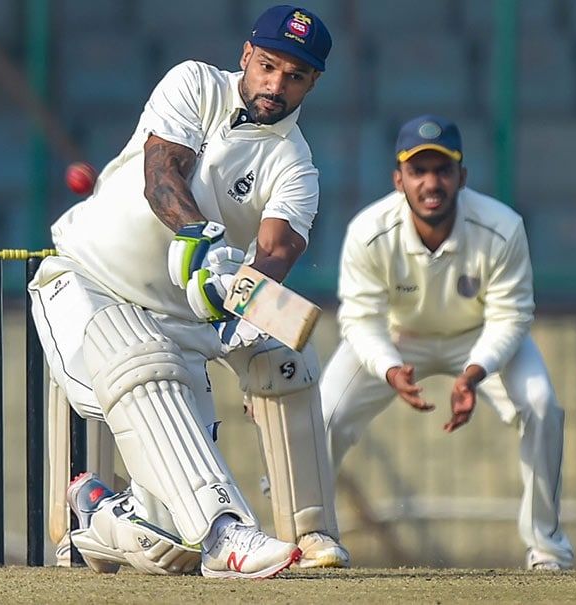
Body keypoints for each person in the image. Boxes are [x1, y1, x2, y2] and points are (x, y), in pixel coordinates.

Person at [28, 5, 348, 579]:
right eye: (268, 66)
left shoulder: (296, 166)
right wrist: (201, 241)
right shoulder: (194, 82)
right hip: (86, 282)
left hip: (177, 326)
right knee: (137, 357)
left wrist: (238, 300)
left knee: (169, 546)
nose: (276, 85)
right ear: (247, 55)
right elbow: (162, 174)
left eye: (294, 76)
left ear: (313, 83)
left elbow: (277, 252)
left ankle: (95, 516)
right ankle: (228, 533)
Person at [320, 115, 574, 571]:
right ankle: (311, 536)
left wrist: (475, 373)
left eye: (443, 169)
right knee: (323, 414)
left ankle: (547, 547)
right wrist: (389, 367)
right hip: (398, 340)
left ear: (462, 176)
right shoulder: (368, 230)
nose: (431, 183)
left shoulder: (502, 226)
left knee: (540, 405)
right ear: (399, 179)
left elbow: (511, 315)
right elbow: (359, 318)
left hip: (478, 338)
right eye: (418, 171)